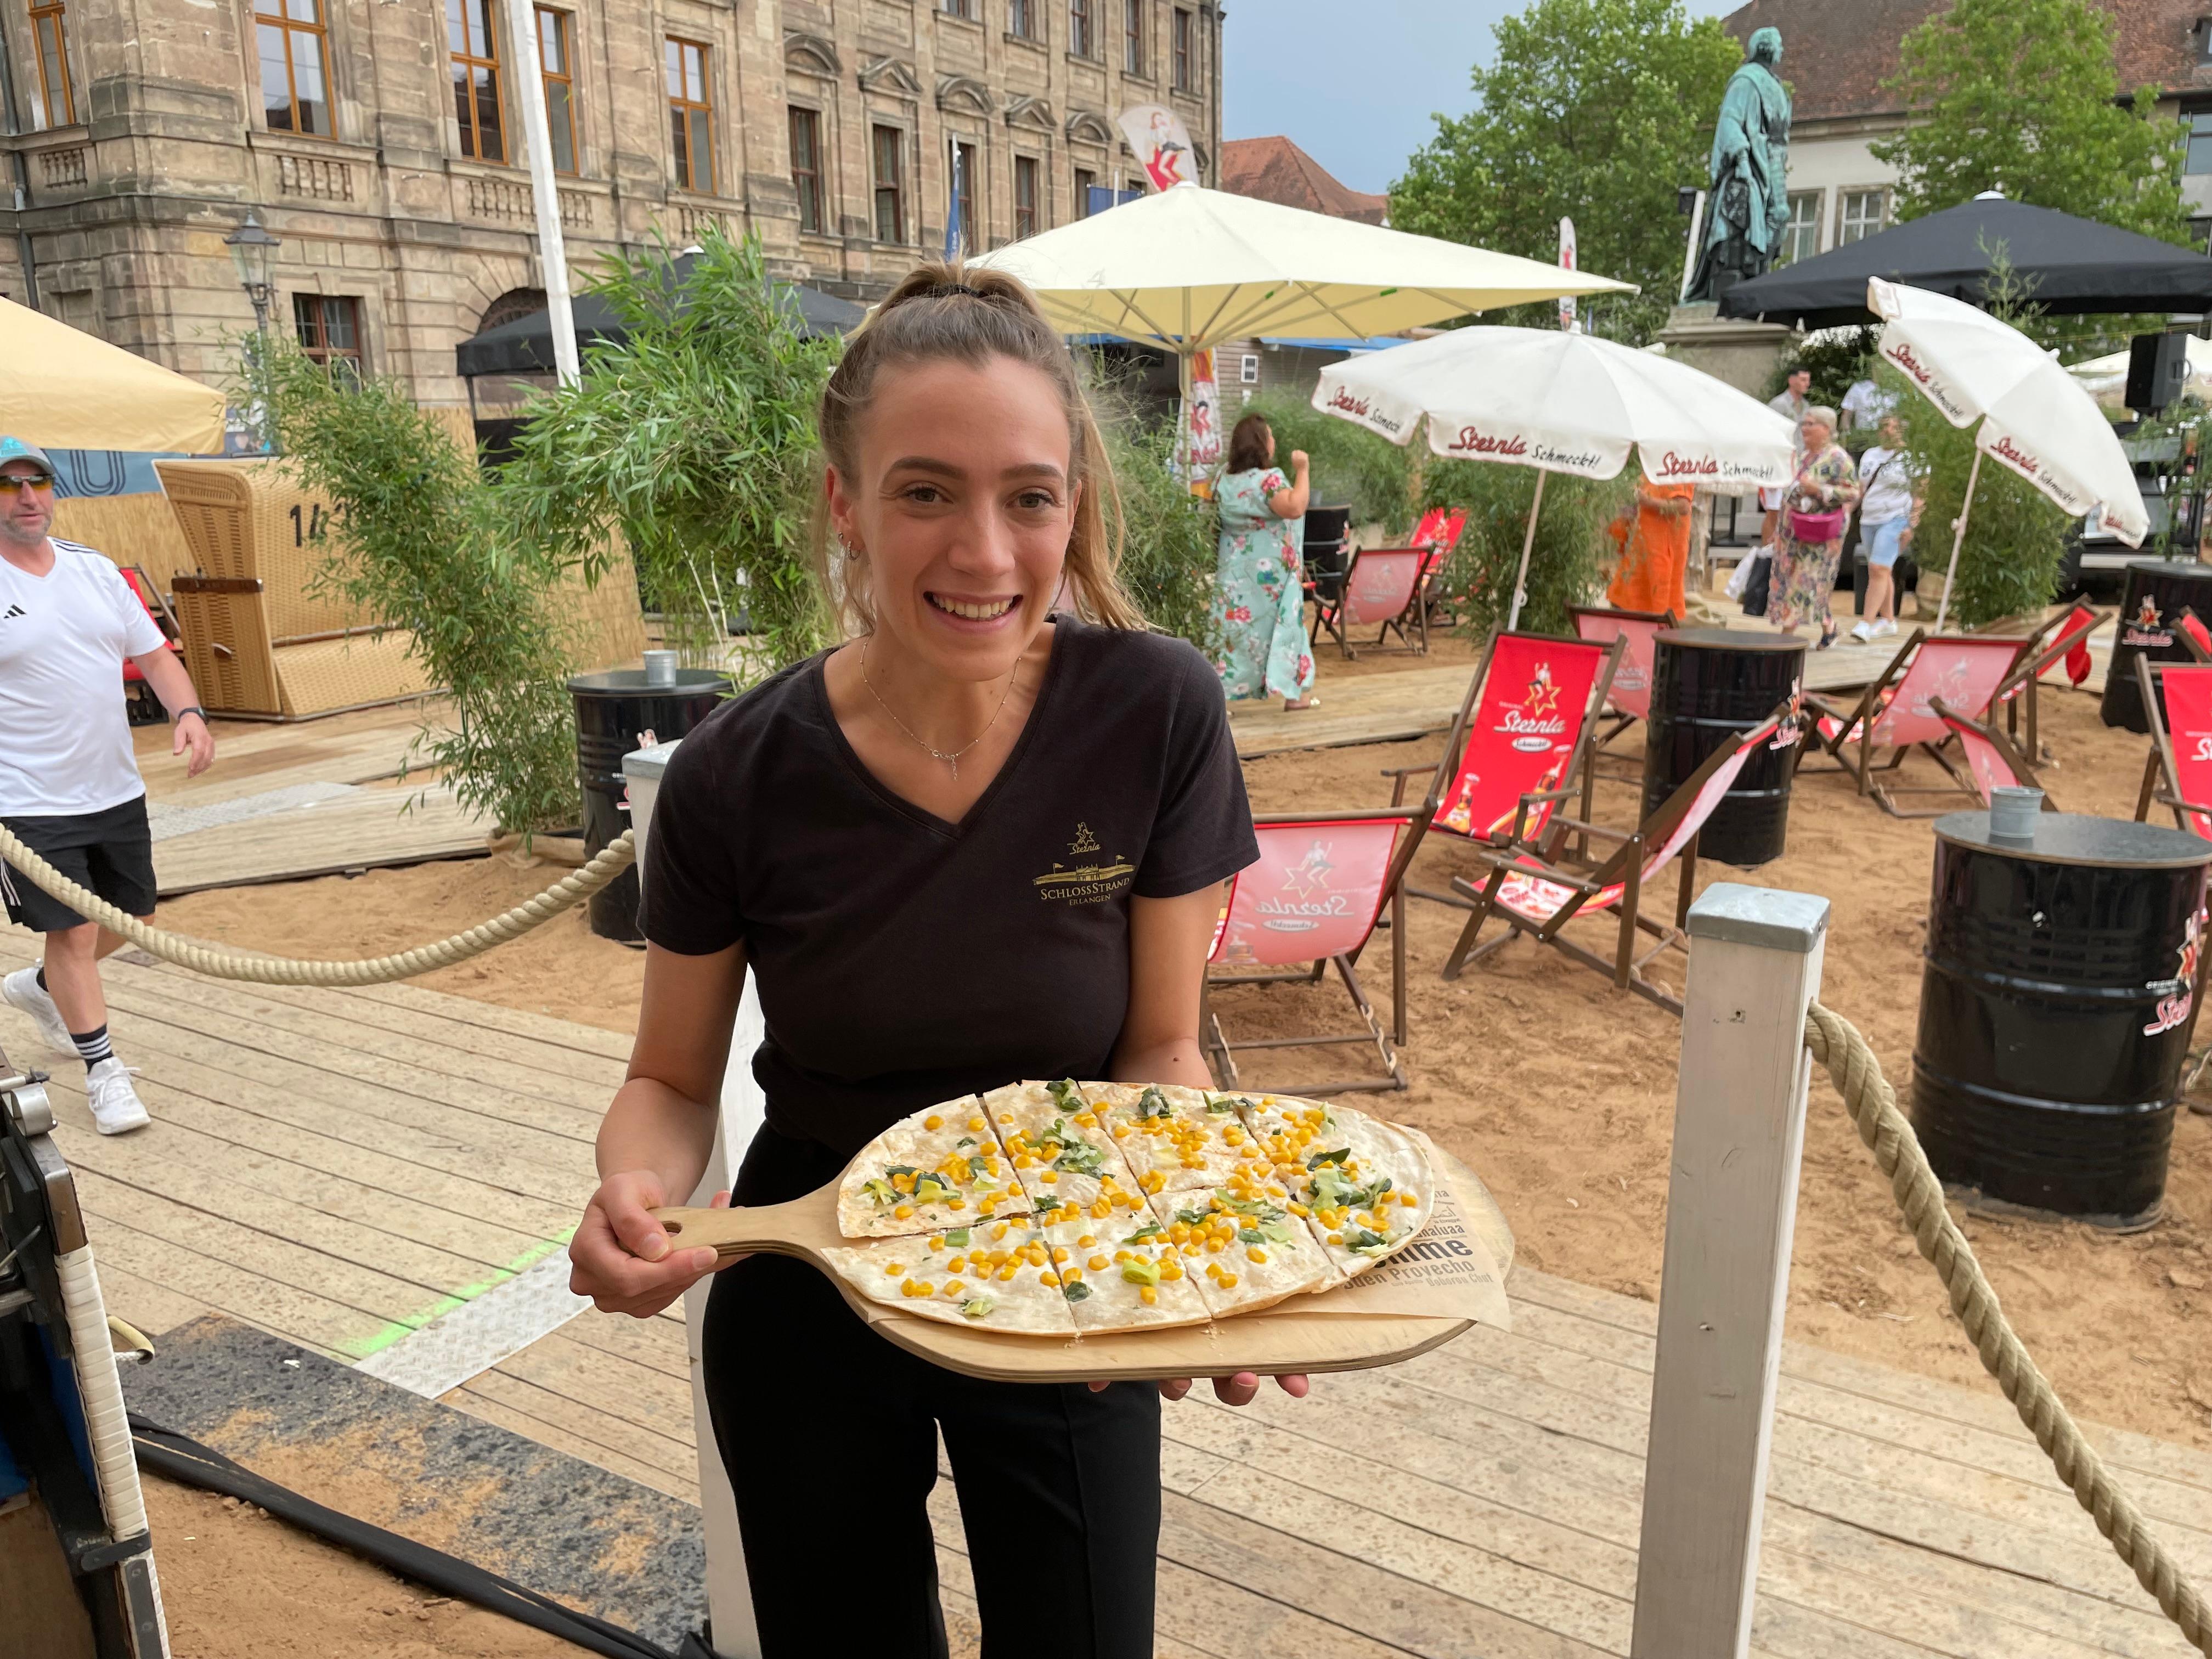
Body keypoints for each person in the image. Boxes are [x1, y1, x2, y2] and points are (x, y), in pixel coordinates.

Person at [563, 263, 1301, 1659]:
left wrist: (1193, 1240)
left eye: (1027, 494)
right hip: (811, 1287)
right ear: (845, 502)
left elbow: (1158, 1047)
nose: (986, 552)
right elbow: (669, 1079)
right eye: (924, 492)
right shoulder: (736, 773)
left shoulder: (1158, 710)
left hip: (1073, 1281)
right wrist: (639, 1192)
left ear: (1073, 501)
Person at [0, 437, 215, 1133]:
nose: (27, 498)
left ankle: (39, 991)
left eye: (37, 483)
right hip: (25, 800)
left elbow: (155, 654)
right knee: (71, 931)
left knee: (136, 920)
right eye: (8, 487)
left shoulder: (94, 571)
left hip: (112, 787)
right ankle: (104, 1072)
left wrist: (188, 713)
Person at [1213, 412, 1317, 710]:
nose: (1274, 441)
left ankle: (1221, 692)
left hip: (1234, 576)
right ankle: (1296, 695)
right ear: (1261, 444)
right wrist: (1303, 470)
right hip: (1272, 578)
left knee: (1234, 632)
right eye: (1270, 436)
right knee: (1285, 627)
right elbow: (1295, 507)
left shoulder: (1223, 479)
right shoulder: (1268, 481)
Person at [1769, 407, 1859, 648]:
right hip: (1793, 531)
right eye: (1804, 424)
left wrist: (1819, 491)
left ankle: (1786, 638)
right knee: (1811, 582)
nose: (1804, 428)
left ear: (1826, 429)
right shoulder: (1803, 456)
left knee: (1803, 581)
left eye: (1810, 424)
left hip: (1819, 535)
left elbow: (1852, 492)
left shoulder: (1838, 458)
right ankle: (1829, 628)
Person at [1851, 414, 1920, 642]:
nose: (1889, 430)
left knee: (1878, 569)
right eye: (1884, 426)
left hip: (1896, 519)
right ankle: (1889, 620)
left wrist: (1912, 524)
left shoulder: (1912, 458)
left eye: (1894, 426)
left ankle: (1866, 622)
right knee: (1882, 571)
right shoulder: (1870, 455)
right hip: (1869, 519)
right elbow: (1862, 489)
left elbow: (1921, 495)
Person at [1604, 477, 1696, 619]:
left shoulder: (1677, 467)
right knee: (1622, 600)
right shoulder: (1650, 468)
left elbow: (1683, 507)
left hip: (1662, 553)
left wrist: (1648, 502)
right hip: (1642, 550)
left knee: (1657, 607)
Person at [1760, 367, 1812, 548]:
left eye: (1808, 380)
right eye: (1803, 379)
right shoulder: (1779, 404)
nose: (1807, 384)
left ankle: (1785, 546)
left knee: (1791, 507)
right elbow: (1768, 433)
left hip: (1798, 462)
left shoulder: (1806, 407)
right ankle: (1767, 550)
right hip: (1779, 461)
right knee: (1773, 510)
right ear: (1792, 381)